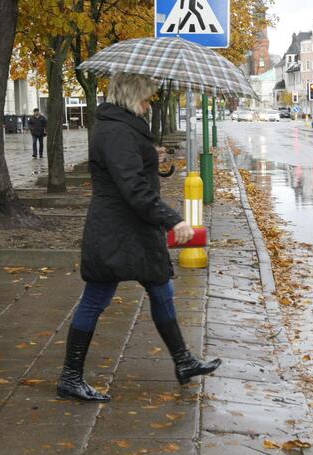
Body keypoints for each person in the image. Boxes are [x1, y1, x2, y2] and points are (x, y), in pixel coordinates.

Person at [57, 73, 221, 402]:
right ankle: (70, 377)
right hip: (117, 229)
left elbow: (129, 169)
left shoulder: (122, 127)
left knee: (162, 287)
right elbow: (133, 189)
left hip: (131, 229)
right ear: (132, 97)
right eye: (146, 98)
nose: (149, 105)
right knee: (96, 299)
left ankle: (184, 361)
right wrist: (174, 221)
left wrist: (152, 158)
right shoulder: (117, 130)